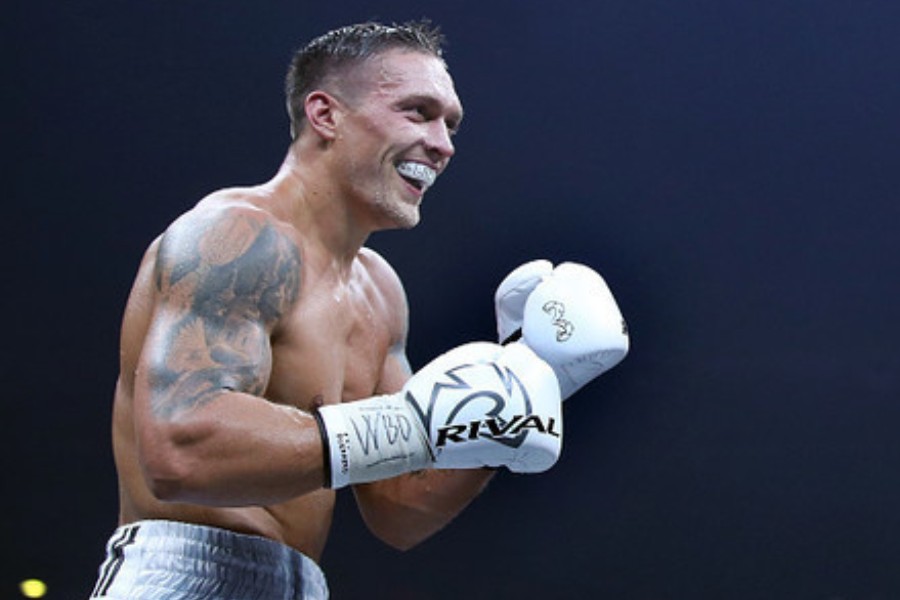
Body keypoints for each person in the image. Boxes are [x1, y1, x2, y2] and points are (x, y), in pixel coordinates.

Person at [90, 20, 629, 600]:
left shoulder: (378, 291)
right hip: (183, 571)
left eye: (450, 125)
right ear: (325, 115)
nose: (443, 145)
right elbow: (180, 452)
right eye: (418, 112)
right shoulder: (237, 238)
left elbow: (401, 506)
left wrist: (528, 378)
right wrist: (411, 426)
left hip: (300, 582)